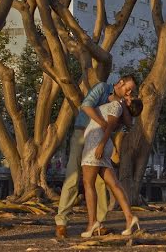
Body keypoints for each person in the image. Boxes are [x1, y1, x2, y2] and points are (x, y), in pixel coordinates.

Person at [55, 75, 136, 238]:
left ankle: (99, 222)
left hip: (102, 141)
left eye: (131, 91)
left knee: (101, 183)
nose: (129, 92)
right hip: (82, 132)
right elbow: (86, 107)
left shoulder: (119, 103)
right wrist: (105, 125)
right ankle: (61, 222)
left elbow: (128, 127)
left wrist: (126, 104)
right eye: (128, 89)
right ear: (120, 82)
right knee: (73, 176)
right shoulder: (102, 88)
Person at [80, 98, 143, 238]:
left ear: (128, 103)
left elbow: (108, 127)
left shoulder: (116, 106)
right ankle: (130, 217)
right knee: (114, 184)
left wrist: (101, 145)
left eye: (130, 96)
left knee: (88, 184)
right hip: (102, 144)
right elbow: (126, 124)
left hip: (96, 144)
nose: (128, 95)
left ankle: (92, 223)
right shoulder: (121, 111)